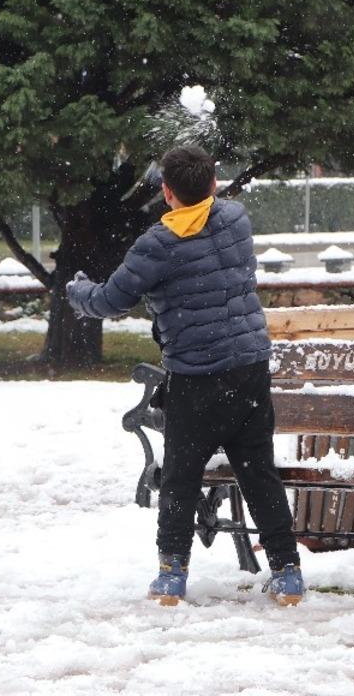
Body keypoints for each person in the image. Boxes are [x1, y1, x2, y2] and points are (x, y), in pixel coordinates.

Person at [66, 145, 303, 606]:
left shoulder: (157, 244)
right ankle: (288, 572)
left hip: (196, 376)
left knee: (180, 476)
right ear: (213, 184)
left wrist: (78, 292)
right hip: (249, 368)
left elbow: (111, 300)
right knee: (258, 473)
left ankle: (172, 576)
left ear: (166, 193)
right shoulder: (234, 220)